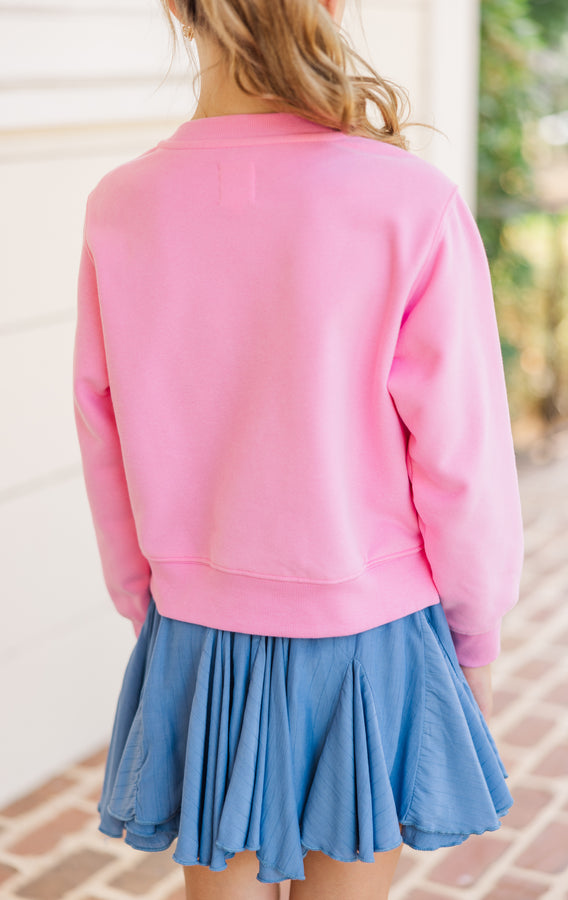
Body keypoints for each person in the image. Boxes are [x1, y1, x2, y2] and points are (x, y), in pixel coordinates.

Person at [72, 0, 524, 898]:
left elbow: (104, 438)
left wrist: (151, 608)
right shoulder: (407, 200)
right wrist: (473, 637)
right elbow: (461, 460)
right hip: (373, 636)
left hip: (198, 629)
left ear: (175, 6)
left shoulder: (120, 205)